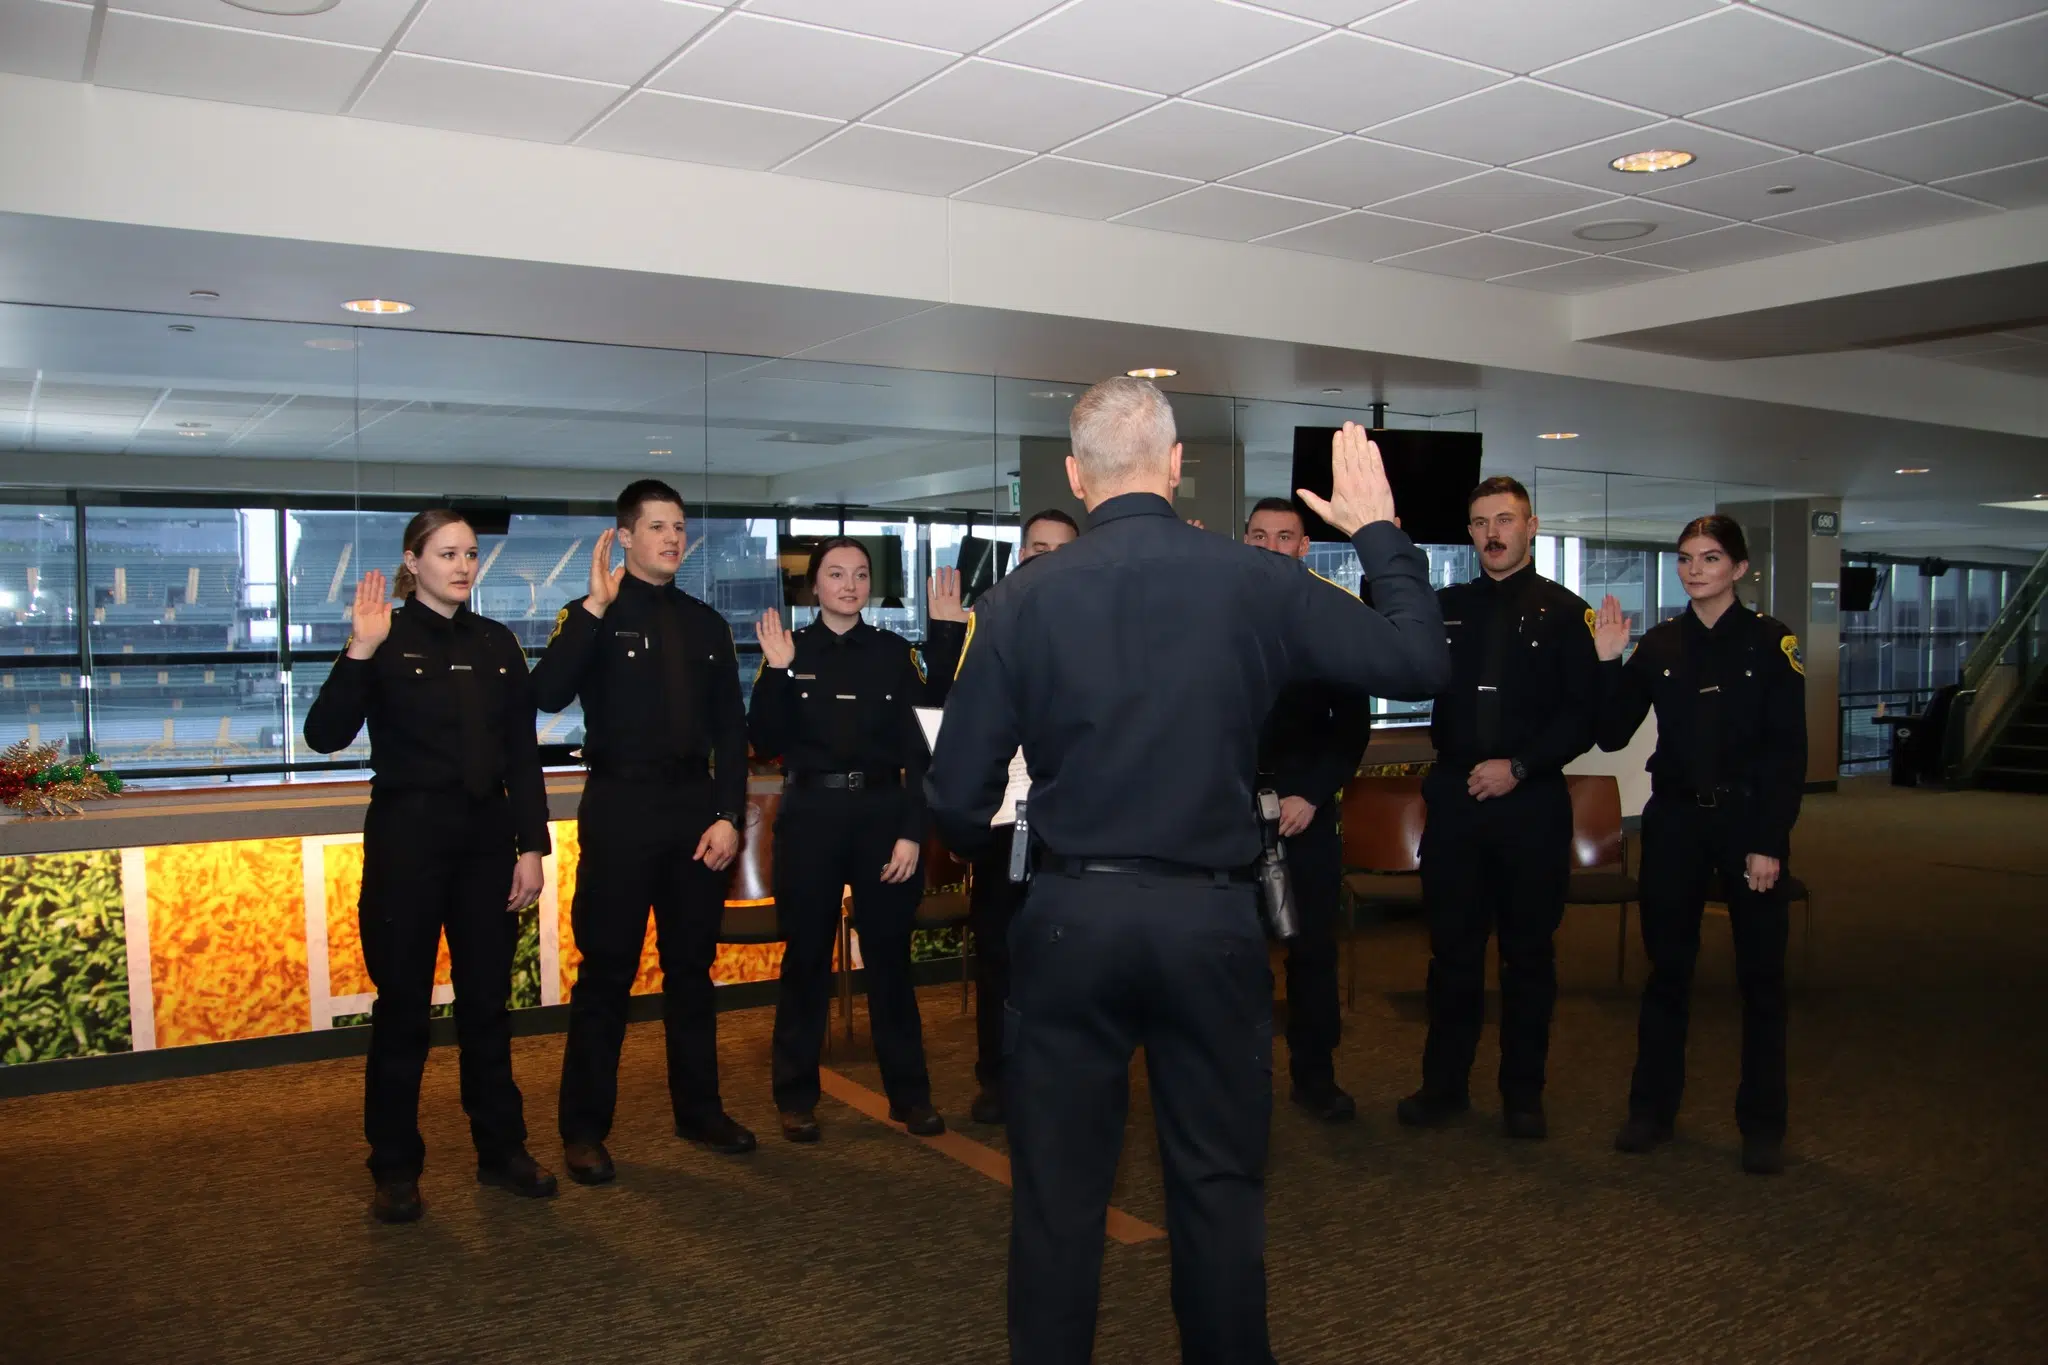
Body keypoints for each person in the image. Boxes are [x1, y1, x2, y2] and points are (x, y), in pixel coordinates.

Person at [927, 377, 1451, 1364]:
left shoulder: (1018, 600)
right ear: (1174, 466)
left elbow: (955, 801)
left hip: (1070, 920)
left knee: (1055, 1201)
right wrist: (1378, 529)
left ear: (1077, 478)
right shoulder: (1253, 579)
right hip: (1208, 924)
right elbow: (1418, 661)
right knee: (1215, 1191)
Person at [303, 509, 557, 1223]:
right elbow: (323, 735)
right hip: (407, 840)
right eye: (447, 552)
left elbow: (521, 756)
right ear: (413, 561)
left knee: (486, 1008)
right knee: (404, 1012)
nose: (462, 564)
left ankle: (502, 1151)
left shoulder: (498, 642)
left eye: (471, 553)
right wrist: (358, 650)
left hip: (486, 842)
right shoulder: (384, 635)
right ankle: (394, 1166)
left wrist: (532, 845)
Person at [530, 479, 754, 1186]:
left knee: (692, 971)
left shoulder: (706, 623)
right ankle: (584, 1131)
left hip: (695, 811)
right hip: (621, 807)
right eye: (656, 526)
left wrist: (727, 814)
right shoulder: (590, 613)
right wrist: (594, 607)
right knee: (607, 976)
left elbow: (731, 731)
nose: (671, 537)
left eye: (679, 526)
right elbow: (546, 694)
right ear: (624, 535)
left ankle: (701, 1110)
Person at [1592, 514, 1804, 1176]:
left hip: (1748, 825)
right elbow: (1610, 733)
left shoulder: (1773, 644)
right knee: (1668, 975)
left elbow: (1786, 753)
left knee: (1761, 979)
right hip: (1676, 823)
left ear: (1738, 569)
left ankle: (1763, 1126)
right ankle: (1652, 1111)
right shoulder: (1659, 645)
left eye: (1710, 558)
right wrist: (1607, 662)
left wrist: (1769, 841)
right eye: (1685, 559)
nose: (1694, 569)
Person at [1398, 476, 1600, 1141]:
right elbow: (1384, 625)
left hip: (1530, 803)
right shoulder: (1447, 605)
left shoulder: (1566, 613)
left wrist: (1518, 767)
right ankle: (1443, 1086)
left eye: (1505, 519)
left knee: (1527, 956)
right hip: (1457, 801)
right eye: (1481, 521)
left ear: (1532, 526)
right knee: (1451, 954)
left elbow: (1583, 717)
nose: (1492, 532)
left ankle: (1522, 1093)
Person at [750, 538, 947, 1143]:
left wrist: (913, 832)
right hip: (811, 814)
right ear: (815, 584)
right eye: (836, 574)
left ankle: (909, 1098)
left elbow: (925, 751)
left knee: (890, 962)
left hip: (885, 815)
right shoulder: (789, 650)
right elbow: (761, 737)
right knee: (805, 959)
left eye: (860, 574)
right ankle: (796, 1097)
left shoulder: (894, 654)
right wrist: (779, 672)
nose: (849, 584)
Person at [923, 508, 1081, 1126]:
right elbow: (946, 713)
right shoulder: (988, 624)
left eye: (1058, 548)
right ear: (1020, 557)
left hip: (1075, 828)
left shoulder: (1099, 626)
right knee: (1000, 959)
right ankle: (998, 1078)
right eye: (1035, 547)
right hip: (1002, 826)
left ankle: (1061, 1078)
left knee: (1072, 964)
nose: (1045, 557)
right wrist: (943, 635)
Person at [1241, 497, 1372, 1123]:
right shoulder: (1216, 617)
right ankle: (1237, 1079)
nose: (1270, 546)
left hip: (1305, 813)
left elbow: (1350, 730)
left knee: (1312, 953)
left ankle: (1315, 1077)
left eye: (1283, 536)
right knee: (1234, 955)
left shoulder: (1332, 622)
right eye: (1259, 535)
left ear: (1304, 549)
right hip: (1230, 814)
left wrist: (1311, 795)